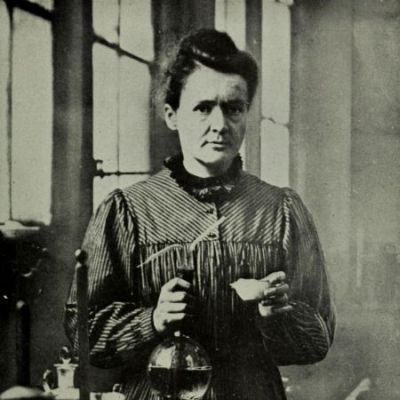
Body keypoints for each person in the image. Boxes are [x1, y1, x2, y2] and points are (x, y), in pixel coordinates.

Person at [64, 29, 335, 400]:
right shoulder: (127, 211)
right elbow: (82, 331)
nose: (220, 125)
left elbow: (318, 340)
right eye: (203, 107)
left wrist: (278, 314)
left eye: (234, 108)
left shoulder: (282, 211)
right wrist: (152, 319)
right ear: (172, 115)